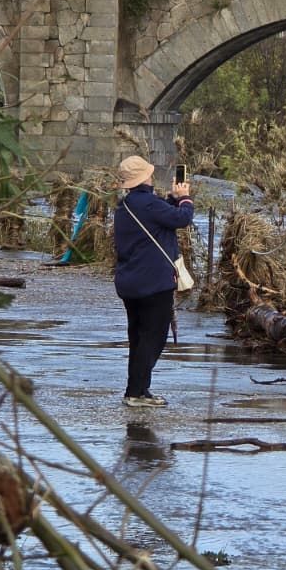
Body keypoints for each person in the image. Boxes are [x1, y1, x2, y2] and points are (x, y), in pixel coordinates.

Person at [113, 155, 194, 408]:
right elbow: (182, 218)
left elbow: (160, 214)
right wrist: (185, 199)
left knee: (138, 336)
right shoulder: (149, 205)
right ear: (145, 177)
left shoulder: (125, 206)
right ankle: (137, 392)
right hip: (154, 282)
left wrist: (172, 200)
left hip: (130, 282)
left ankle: (136, 389)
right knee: (154, 337)